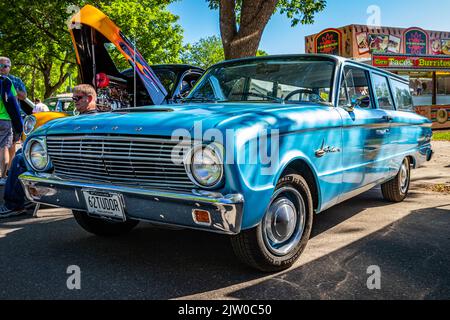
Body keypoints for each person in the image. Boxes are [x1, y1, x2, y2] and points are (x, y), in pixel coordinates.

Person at [0, 84, 98, 218]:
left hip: (69, 160)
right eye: (73, 99)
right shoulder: (81, 118)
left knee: (20, 159)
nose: (74, 102)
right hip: (62, 155)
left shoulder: (93, 120)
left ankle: (13, 205)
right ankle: (23, 197)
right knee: (21, 154)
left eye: (78, 98)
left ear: (90, 98)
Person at [0, 57, 27, 175]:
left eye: (5, 66)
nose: (2, 69)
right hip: (6, 119)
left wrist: (13, 90)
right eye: (0, 66)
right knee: (5, 146)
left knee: (11, 145)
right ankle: (6, 172)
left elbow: (24, 96)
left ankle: (9, 170)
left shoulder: (15, 80)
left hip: (12, 117)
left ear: (10, 67)